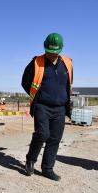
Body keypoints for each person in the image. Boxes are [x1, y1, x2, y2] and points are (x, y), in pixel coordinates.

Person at [21, 33, 73, 181]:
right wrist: (38, 95)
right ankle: (30, 160)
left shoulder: (68, 63)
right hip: (42, 106)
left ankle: (47, 168)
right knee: (42, 134)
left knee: (55, 138)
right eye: (49, 51)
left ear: (60, 49)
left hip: (60, 108)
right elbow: (25, 82)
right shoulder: (36, 62)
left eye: (55, 52)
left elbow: (68, 83)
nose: (51, 55)